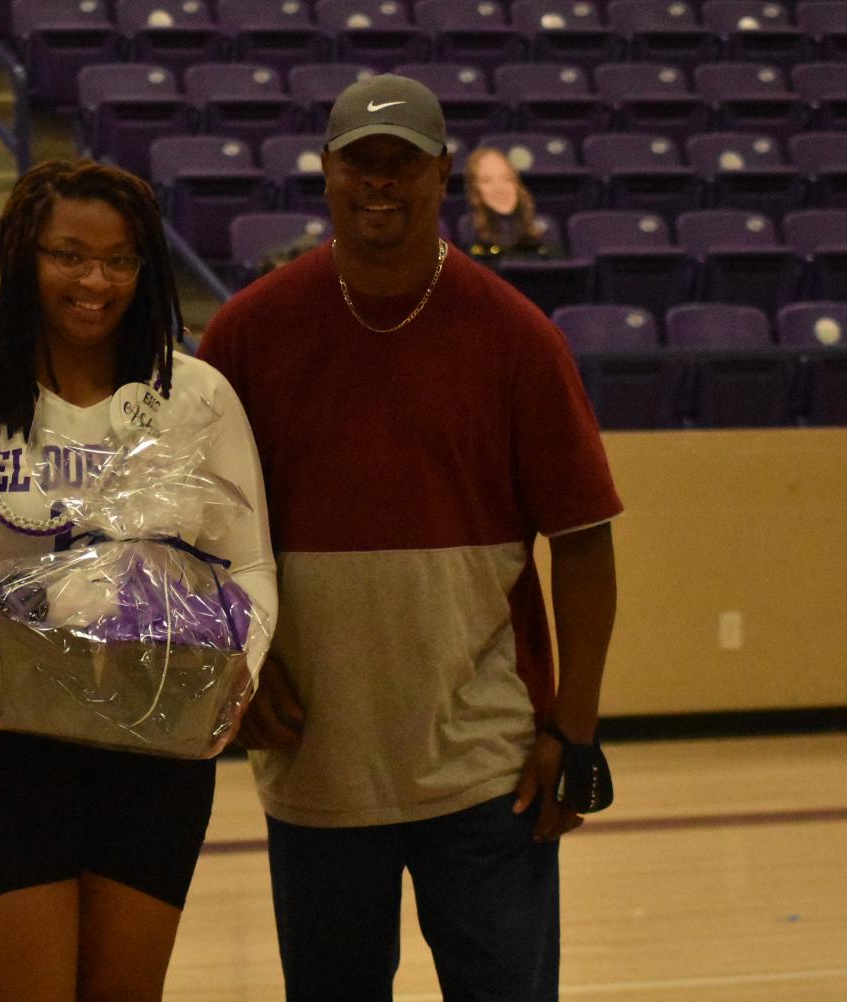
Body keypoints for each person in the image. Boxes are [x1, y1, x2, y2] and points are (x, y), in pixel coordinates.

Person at [197, 74, 621, 1001]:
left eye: (402, 164)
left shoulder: (516, 337)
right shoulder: (247, 334)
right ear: (326, 173)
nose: (379, 183)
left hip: (486, 768)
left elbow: (584, 545)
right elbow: (191, 538)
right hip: (316, 767)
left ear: (442, 176)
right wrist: (240, 664)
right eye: (361, 163)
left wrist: (573, 733)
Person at [0, 159, 276, 1002]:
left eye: (120, 260)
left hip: (154, 746)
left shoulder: (198, 396)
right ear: (22, 256)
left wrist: (236, 663)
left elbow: (248, 565)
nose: (94, 282)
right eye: (68, 255)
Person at [458, 146, 560, 259]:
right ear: (474, 190)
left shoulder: (543, 230)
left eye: (507, 179)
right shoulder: (469, 231)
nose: (500, 188)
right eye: (486, 181)